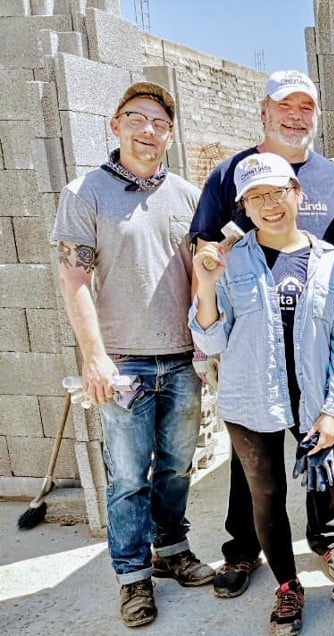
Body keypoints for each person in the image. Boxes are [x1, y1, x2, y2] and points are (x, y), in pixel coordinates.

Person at [51, 82, 214, 628]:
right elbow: (74, 277)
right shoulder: (85, 192)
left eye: (160, 123)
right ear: (115, 125)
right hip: (124, 364)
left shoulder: (187, 195)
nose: (149, 131)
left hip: (181, 359)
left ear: (170, 134)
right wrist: (94, 357)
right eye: (136, 119)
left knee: (175, 467)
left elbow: (198, 276)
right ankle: (132, 576)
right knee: (127, 478)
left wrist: (205, 348)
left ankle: (171, 552)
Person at [189, 70, 334, 596]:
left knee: (319, 458)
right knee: (256, 476)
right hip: (251, 350)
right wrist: (206, 294)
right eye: (285, 106)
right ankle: (246, 551)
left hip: (313, 337)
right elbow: (204, 251)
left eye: (306, 106)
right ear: (264, 111)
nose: (296, 116)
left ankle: (325, 538)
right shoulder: (227, 174)